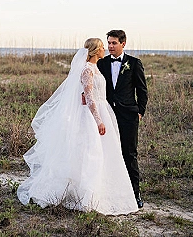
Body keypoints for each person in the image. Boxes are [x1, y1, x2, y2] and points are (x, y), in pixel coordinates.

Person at [17, 38, 139, 215]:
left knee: (105, 153)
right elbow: (89, 98)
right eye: (103, 47)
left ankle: (101, 193)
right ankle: (85, 195)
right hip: (91, 116)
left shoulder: (96, 68)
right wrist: (98, 121)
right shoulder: (87, 70)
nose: (105, 49)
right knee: (90, 153)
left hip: (102, 110)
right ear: (96, 50)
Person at [97, 30, 148, 208]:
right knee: (108, 153)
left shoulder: (134, 63)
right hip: (107, 115)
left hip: (128, 116)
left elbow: (142, 90)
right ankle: (108, 193)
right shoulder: (101, 63)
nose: (110, 46)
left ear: (123, 44)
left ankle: (135, 194)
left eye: (114, 43)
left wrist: (140, 111)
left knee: (129, 154)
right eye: (108, 43)